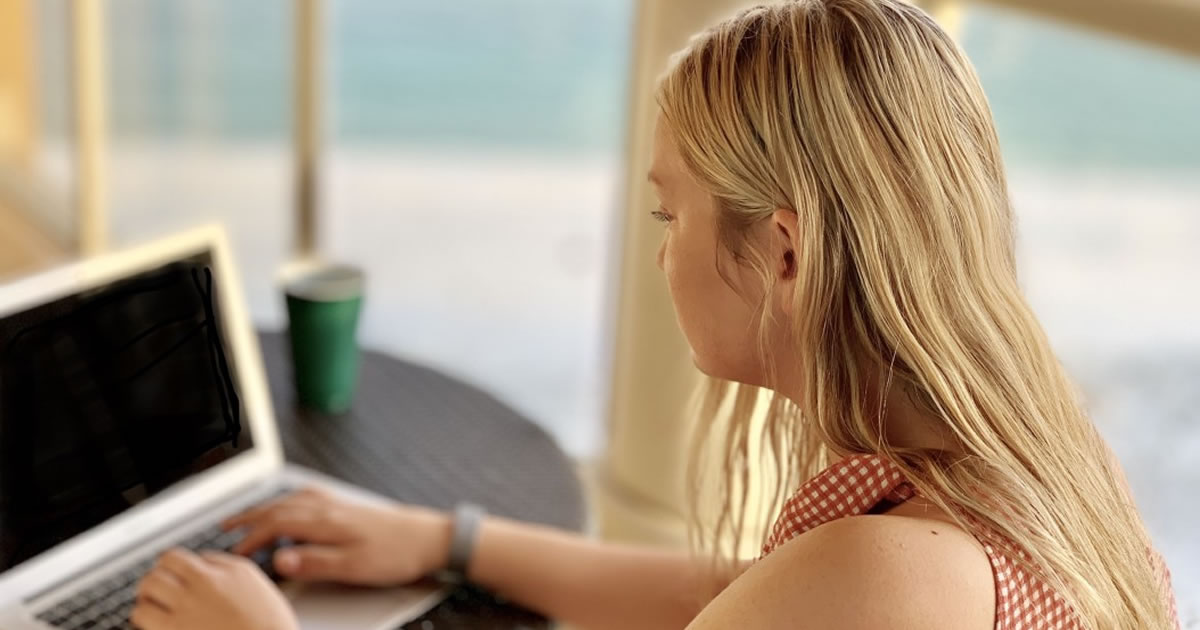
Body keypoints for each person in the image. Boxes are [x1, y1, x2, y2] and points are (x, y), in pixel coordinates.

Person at [128, 1, 1182, 628]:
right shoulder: (1034, 447)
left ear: (784, 251)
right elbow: (746, 595)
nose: (661, 249)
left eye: (667, 211)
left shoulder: (894, 576)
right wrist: (447, 538)